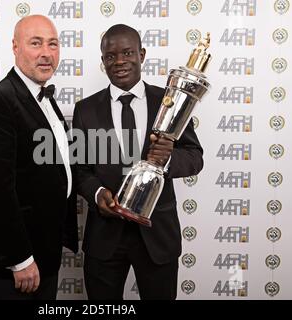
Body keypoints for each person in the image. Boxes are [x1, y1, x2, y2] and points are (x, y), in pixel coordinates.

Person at [72, 24, 203, 299]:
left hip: (158, 236)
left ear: (142, 54)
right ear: (103, 61)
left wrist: (167, 158)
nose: (119, 62)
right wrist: (97, 195)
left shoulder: (169, 101)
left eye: (128, 52)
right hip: (105, 238)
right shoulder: (85, 109)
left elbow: (194, 157)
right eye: (110, 56)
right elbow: (80, 169)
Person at [0, 15, 78, 300]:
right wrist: (20, 259)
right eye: (35, 43)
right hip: (15, 262)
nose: (46, 53)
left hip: (45, 252)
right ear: (15, 48)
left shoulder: (44, 97)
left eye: (53, 44)